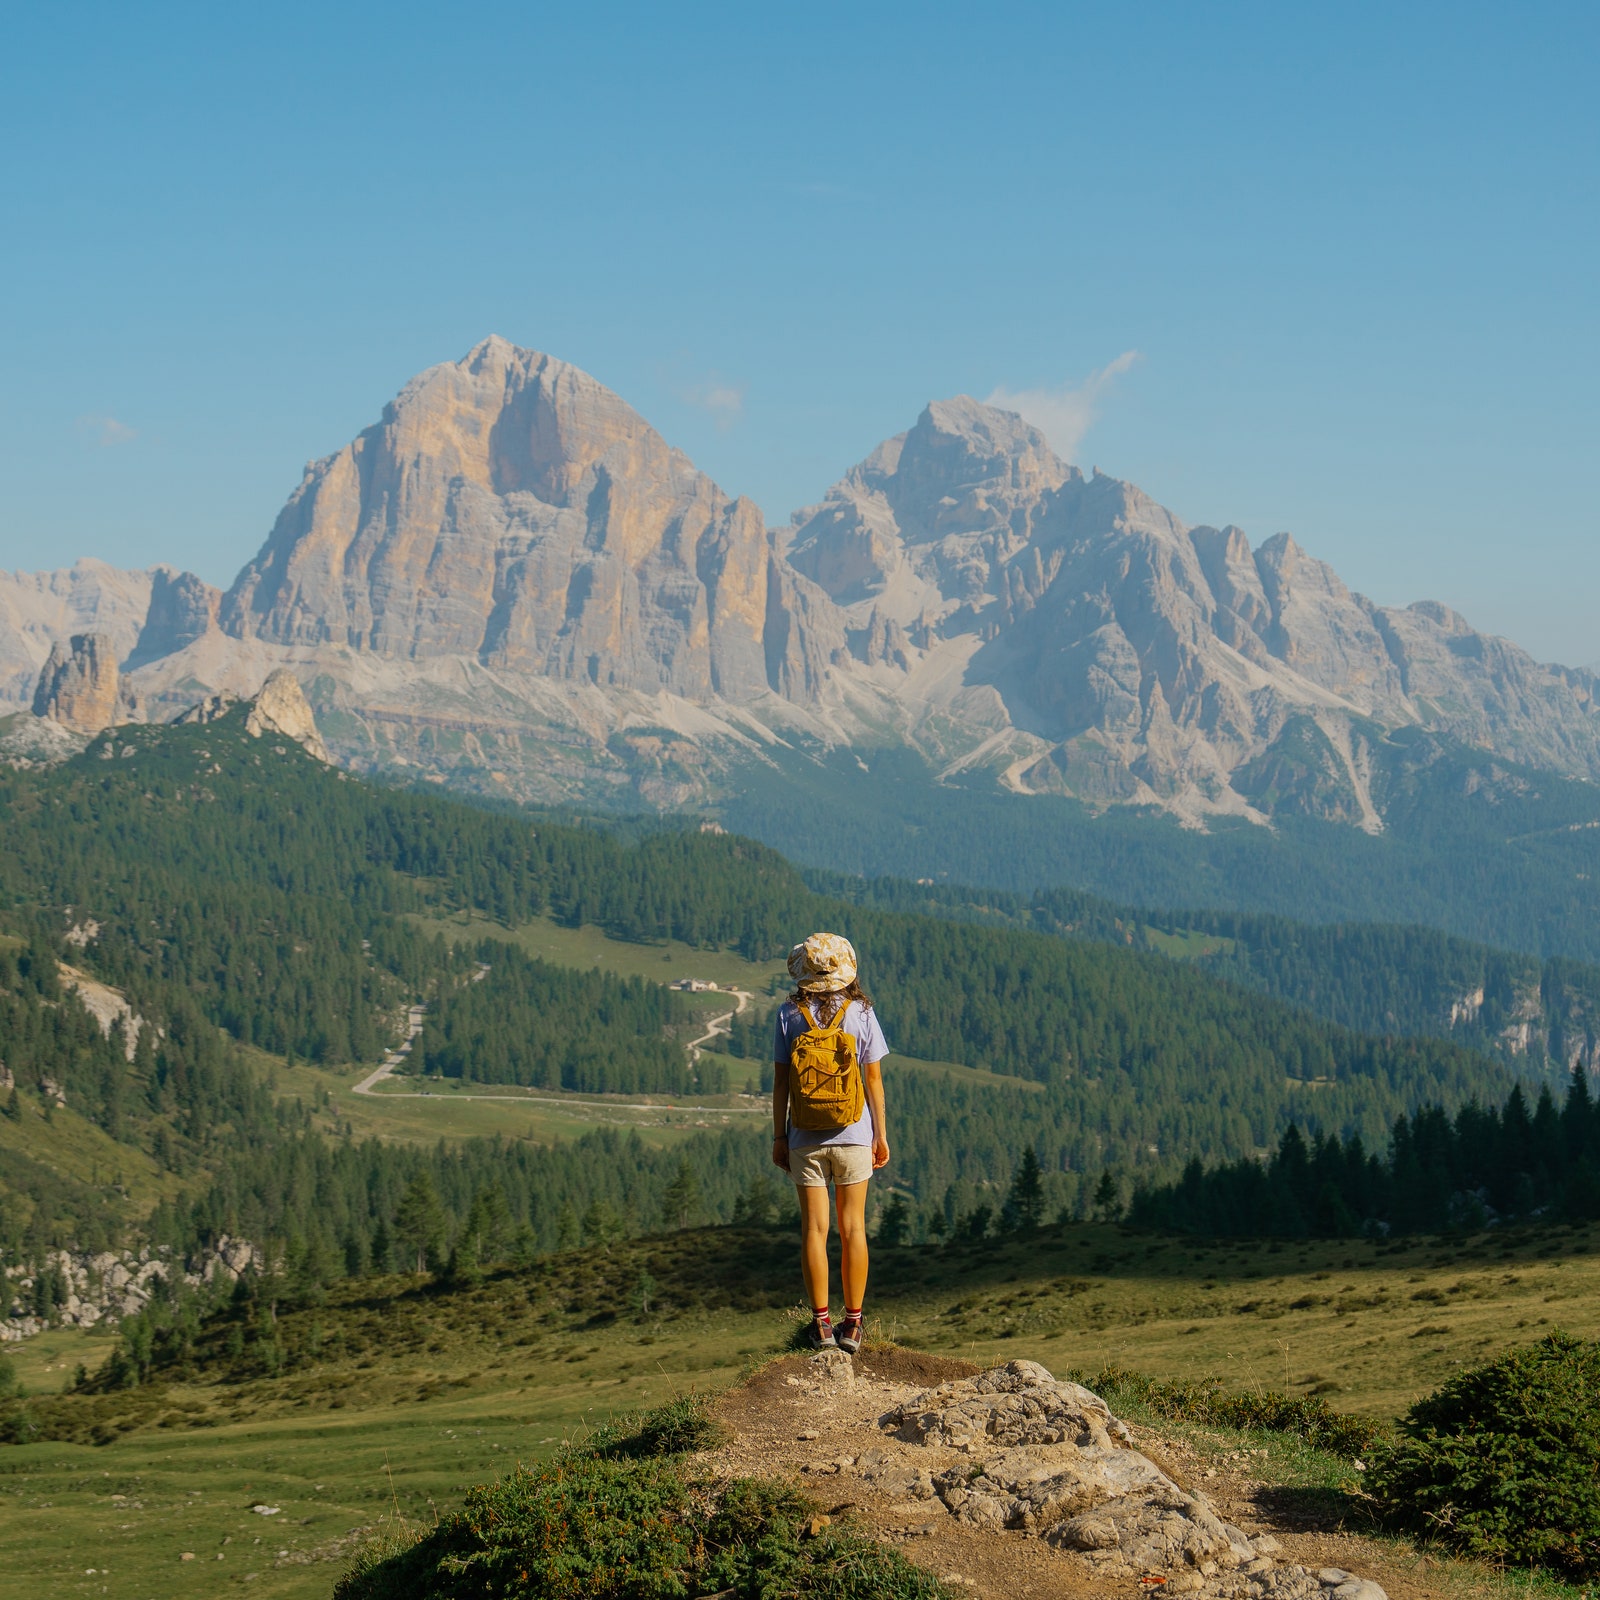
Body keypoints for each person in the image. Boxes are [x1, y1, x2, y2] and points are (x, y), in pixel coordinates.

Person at [771, 932, 890, 1353]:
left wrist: (779, 1136)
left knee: (814, 1230)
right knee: (853, 1228)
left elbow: (781, 1083)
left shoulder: (789, 1014)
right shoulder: (861, 1012)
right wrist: (880, 1134)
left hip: (805, 1139)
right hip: (854, 1136)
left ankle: (821, 1326)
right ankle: (853, 1326)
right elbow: (872, 1080)